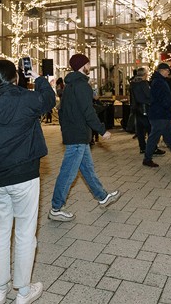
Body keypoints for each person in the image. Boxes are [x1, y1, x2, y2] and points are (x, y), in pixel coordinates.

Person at [0, 60, 56, 304]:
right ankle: (23, 291)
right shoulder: (25, 99)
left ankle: (0, 289)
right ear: (15, 78)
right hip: (25, 175)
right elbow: (48, 99)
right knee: (26, 233)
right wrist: (38, 77)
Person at [49, 54, 120, 221]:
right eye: (88, 63)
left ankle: (102, 197)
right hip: (78, 135)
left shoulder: (70, 86)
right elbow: (88, 111)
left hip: (75, 134)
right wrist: (102, 131)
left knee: (87, 169)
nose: (90, 65)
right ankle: (56, 208)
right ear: (83, 65)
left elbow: (62, 111)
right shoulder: (82, 86)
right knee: (68, 173)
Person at [130, 68, 163, 155]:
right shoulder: (143, 83)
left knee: (140, 130)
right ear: (144, 74)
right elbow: (149, 95)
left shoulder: (133, 84)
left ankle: (142, 147)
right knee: (150, 129)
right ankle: (153, 148)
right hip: (146, 108)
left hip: (137, 109)